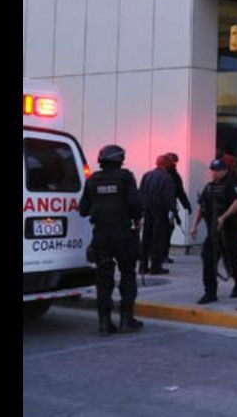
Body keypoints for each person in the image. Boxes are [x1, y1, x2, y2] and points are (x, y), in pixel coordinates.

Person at [79, 144, 144, 336]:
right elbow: (135, 203)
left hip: (101, 236)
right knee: (127, 274)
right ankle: (126, 320)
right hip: (123, 234)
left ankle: (104, 324)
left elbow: (83, 210)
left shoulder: (93, 180)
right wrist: (136, 217)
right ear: (120, 159)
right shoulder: (125, 177)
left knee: (104, 280)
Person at [190, 159, 237, 304]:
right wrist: (195, 226)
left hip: (230, 229)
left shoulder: (232, 184)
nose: (214, 173)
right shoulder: (209, 187)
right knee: (208, 258)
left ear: (224, 171)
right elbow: (202, 208)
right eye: (212, 170)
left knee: (231, 258)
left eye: (217, 170)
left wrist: (223, 217)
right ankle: (210, 292)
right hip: (214, 230)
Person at [139, 155, 177, 275]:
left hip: (147, 212)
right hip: (160, 212)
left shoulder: (147, 175)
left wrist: (142, 210)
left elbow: (141, 193)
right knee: (158, 240)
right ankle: (156, 267)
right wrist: (174, 211)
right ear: (166, 164)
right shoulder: (167, 178)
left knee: (146, 239)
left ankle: (143, 266)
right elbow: (169, 197)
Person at [164, 152, 192, 263]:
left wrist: (186, 205)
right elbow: (180, 192)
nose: (175, 164)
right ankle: (161, 254)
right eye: (173, 162)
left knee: (166, 230)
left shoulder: (173, 175)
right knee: (165, 231)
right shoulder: (170, 175)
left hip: (166, 207)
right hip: (166, 207)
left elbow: (180, 192)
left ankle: (161, 254)